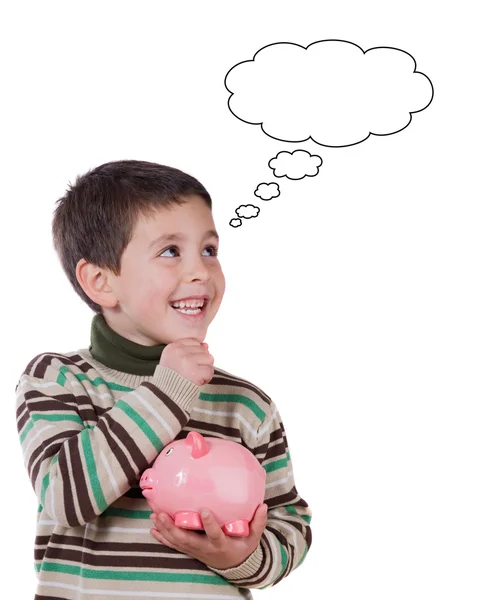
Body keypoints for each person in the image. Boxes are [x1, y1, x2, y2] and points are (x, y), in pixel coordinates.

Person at [15, 159, 312, 600]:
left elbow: (291, 524)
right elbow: (65, 498)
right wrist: (168, 392)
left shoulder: (245, 405)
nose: (200, 272)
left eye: (209, 250)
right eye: (171, 251)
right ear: (101, 281)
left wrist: (241, 557)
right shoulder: (59, 379)